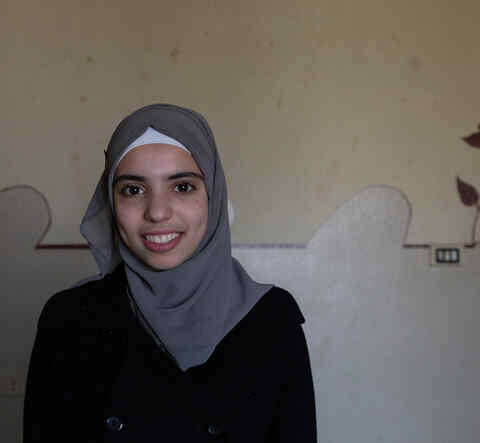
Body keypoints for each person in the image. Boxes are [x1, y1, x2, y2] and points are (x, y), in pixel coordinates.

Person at [23, 104, 316, 442]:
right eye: (133, 190)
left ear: (213, 195)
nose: (158, 212)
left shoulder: (272, 320)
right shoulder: (70, 320)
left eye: (182, 187)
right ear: (110, 202)